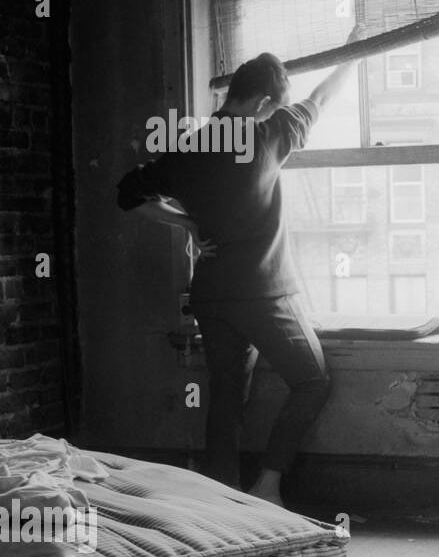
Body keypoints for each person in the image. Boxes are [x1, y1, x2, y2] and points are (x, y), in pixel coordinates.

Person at [117, 44, 362, 505]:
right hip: (264, 292)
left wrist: (184, 222)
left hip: (211, 294)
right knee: (312, 381)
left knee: (227, 395)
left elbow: (128, 194)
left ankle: (221, 502)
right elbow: (323, 98)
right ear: (265, 103)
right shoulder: (270, 135)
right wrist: (353, 52)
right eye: (276, 104)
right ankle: (268, 486)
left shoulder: (187, 148)